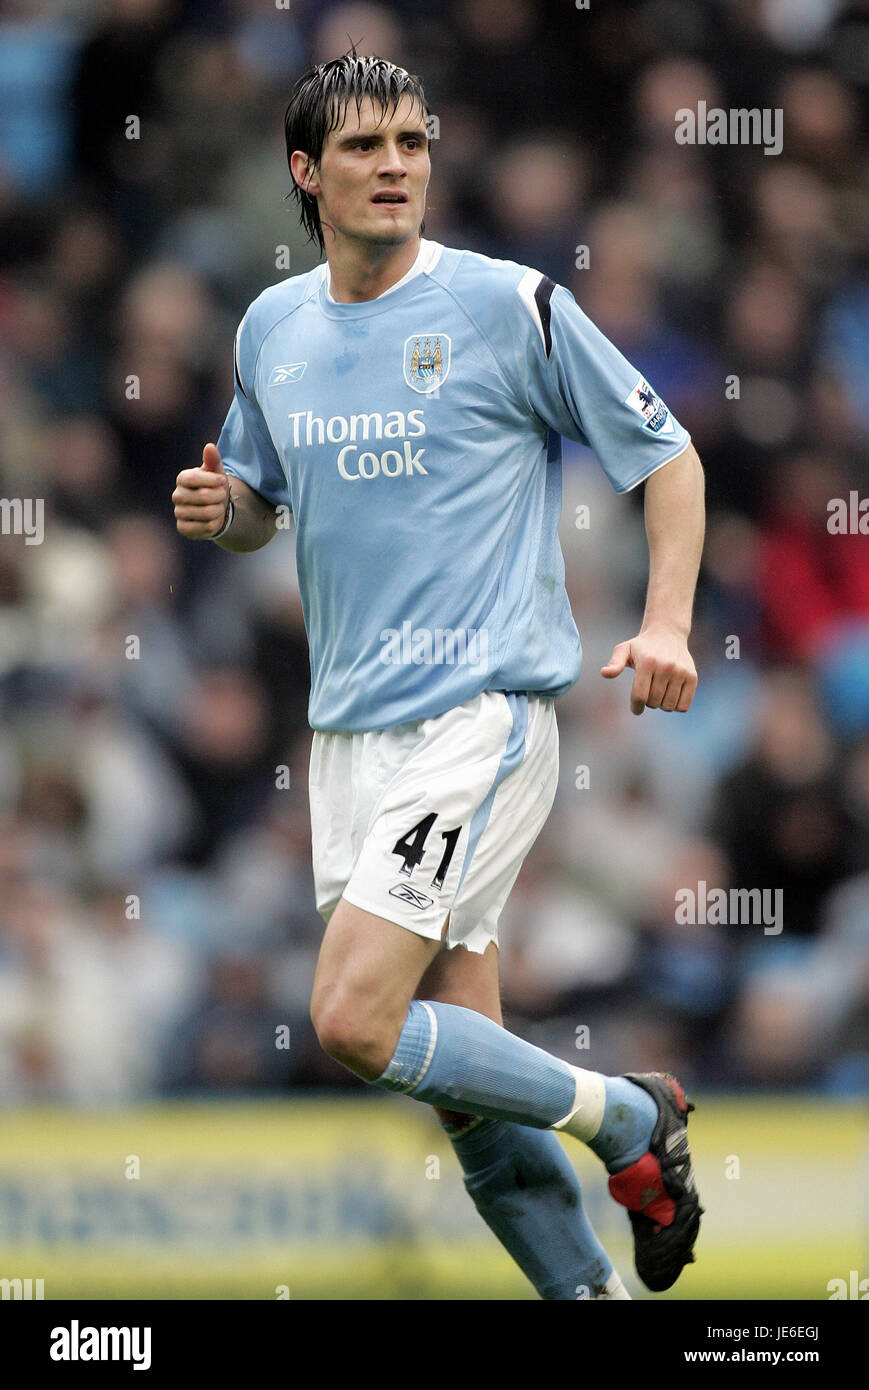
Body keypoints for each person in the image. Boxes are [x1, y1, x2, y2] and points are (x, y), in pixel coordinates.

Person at [172, 51, 705, 1301]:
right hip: (350, 739)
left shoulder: (502, 304)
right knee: (461, 1078)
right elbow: (261, 508)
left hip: (478, 717)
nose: (396, 166)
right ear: (305, 173)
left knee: (356, 1022)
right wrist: (227, 509)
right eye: (363, 148)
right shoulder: (273, 328)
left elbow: (666, 455)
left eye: (411, 143)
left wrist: (668, 623)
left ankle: (628, 1114)